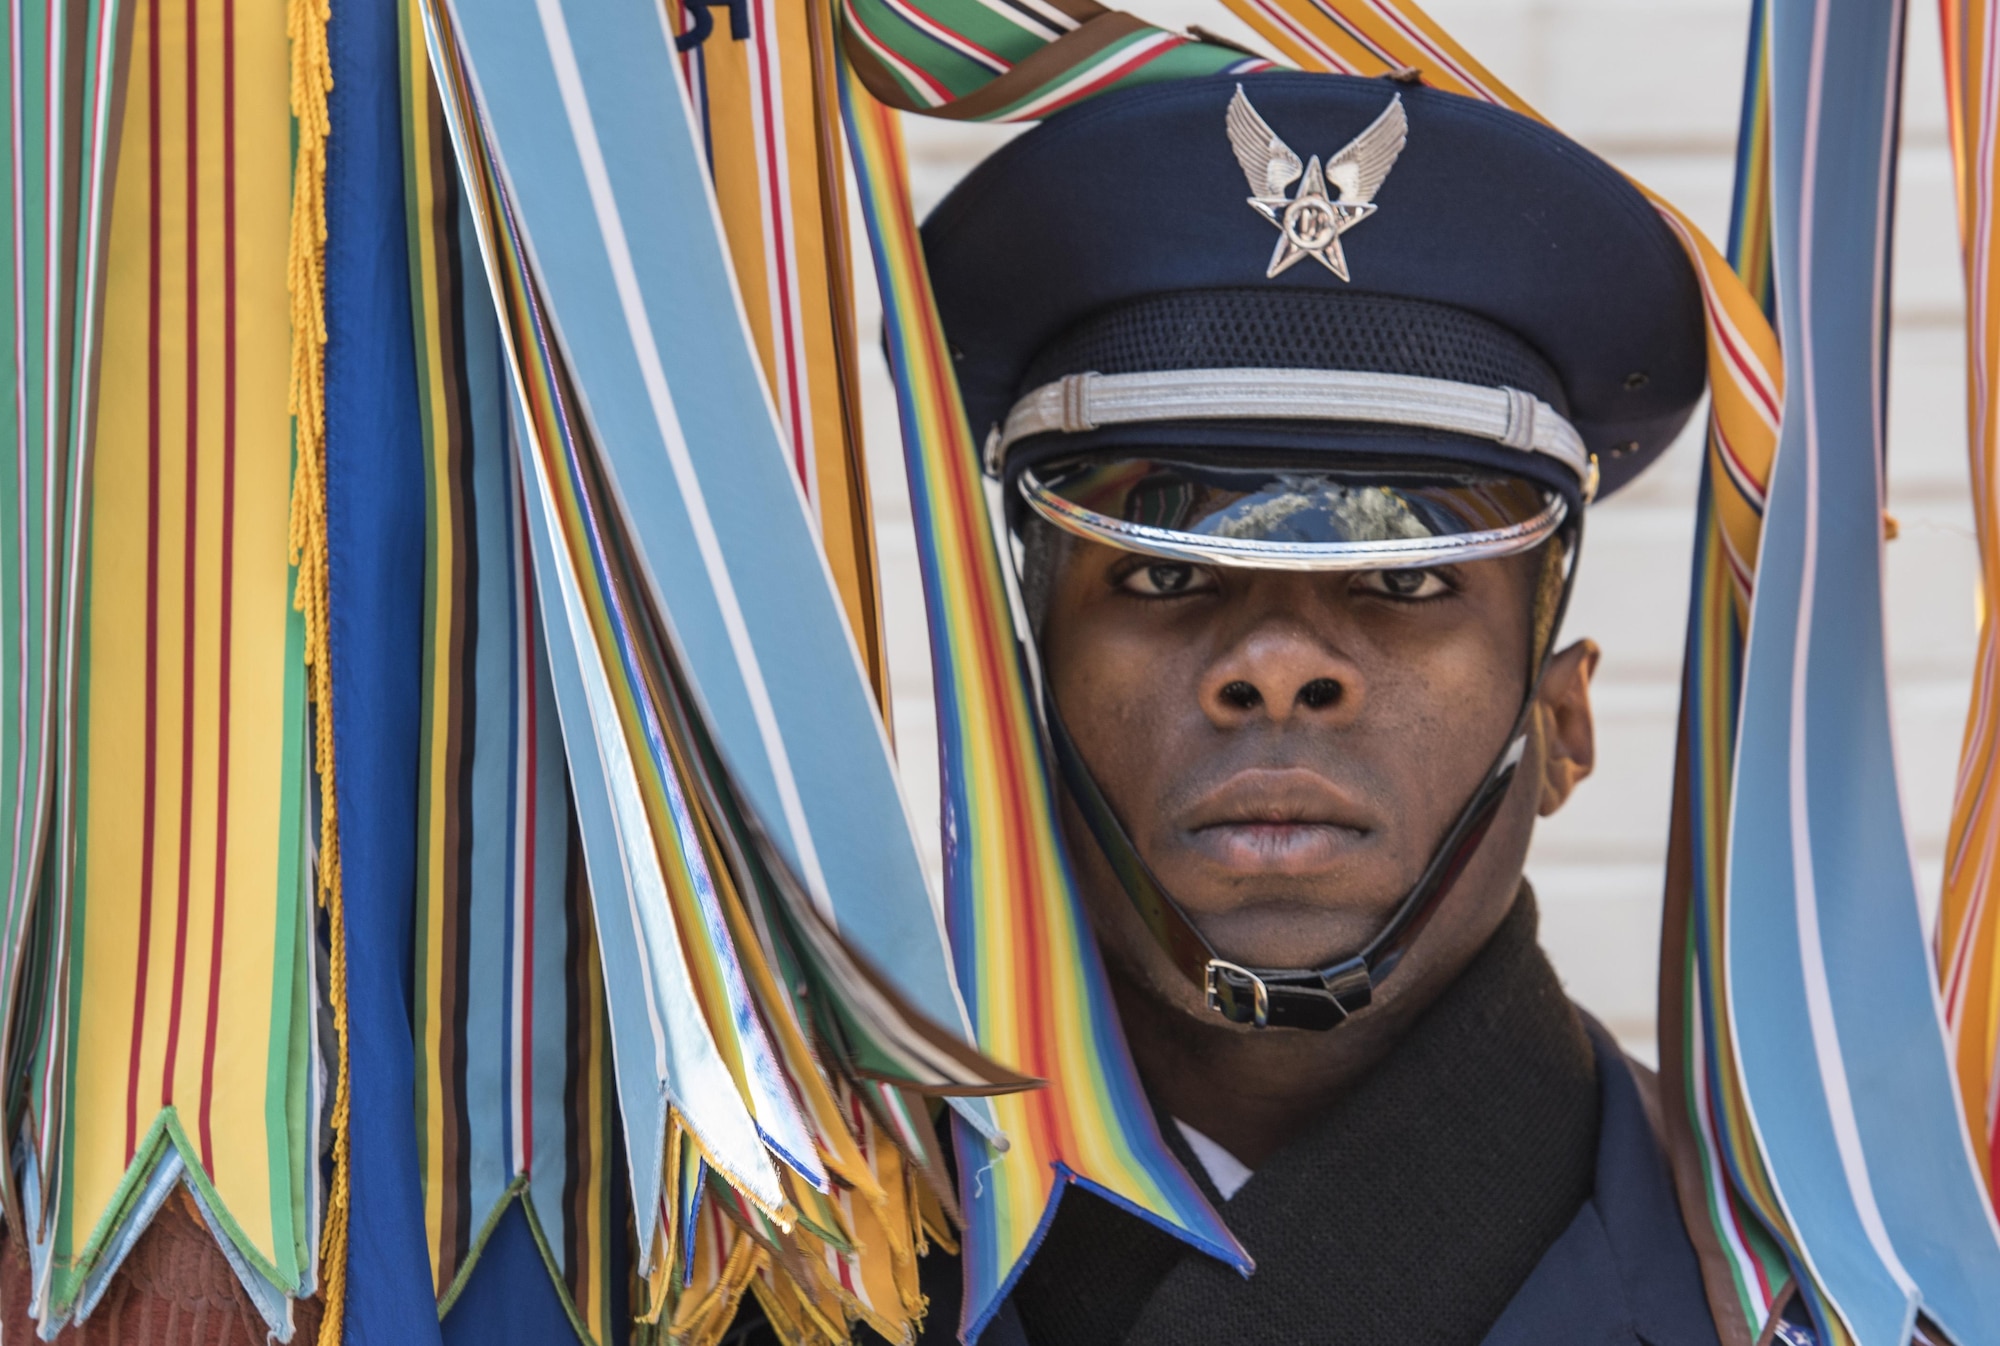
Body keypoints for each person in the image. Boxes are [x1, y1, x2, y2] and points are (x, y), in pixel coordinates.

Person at [894, 68, 1731, 1346]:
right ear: (1011, 707)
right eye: (1162, 568)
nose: (1277, 659)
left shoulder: (1810, 1294)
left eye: (1405, 576)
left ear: (1559, 723)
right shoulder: (745, 1260)